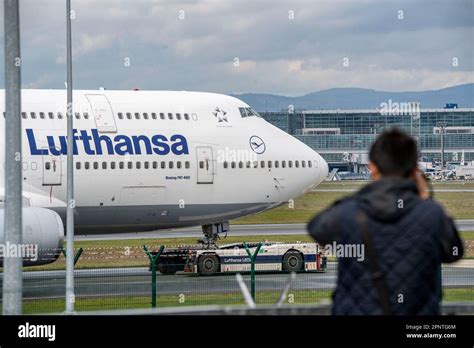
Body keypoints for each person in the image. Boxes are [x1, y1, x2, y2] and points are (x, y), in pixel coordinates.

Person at [307, 128, 464, 315]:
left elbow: (316, 228)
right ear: (415, 170)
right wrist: (425, 198)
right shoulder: (432, 214)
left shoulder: (350, 211)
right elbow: (453, 252)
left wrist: (364, 194)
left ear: (372, 167)